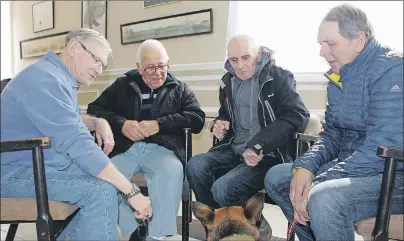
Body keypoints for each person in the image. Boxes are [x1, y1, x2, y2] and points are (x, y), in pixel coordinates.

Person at [265, 4, 403, 241]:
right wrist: (306, 166)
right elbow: (331, 135)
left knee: (323, 197)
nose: (322, 52)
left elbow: (380, 149)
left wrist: (319, 180)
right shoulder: (338, 76)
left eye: (330, 43)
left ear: (359, 40)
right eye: (320, 43)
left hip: (392, 174)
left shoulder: (393, 70)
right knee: (277, 178)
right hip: (353, 168)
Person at [0, 28, 152, 241]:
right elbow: (77, 143)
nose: (99, 70)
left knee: (109, 183)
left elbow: (66, 119)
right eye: (97, 61)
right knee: (100, 191)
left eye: (103, 65)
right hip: (13, 175)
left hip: (41, 167)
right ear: (73, 48)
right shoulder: (44, 79)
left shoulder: (54, 75)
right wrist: (131, 191)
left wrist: (96, 121)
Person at [86, 39, 205, 240]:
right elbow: (94, 109)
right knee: (108, 176)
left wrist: (160, 123)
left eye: (162, 66)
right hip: (125, 148)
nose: (158, 72)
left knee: (172, 170)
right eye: (151, 68)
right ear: (139, 68)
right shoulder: (123, 85)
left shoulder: (179, 88)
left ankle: (159, 235)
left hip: (162, 149)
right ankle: (127, 231)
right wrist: (122, 123)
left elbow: (197, 118)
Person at [186, 34, 310, 210]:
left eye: (246, 58)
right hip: (234, 149)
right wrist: (221, 122)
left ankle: (254, 226)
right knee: (195, 166)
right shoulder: (227, 82)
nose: (239, 66)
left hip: (269, 154)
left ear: (258, 54)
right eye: (234, 59)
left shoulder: (279, 77)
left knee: (223, 189)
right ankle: (218, 222)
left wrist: (259, 144)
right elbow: (225, 112)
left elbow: (298, 115)